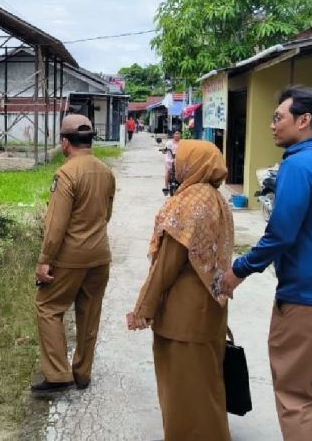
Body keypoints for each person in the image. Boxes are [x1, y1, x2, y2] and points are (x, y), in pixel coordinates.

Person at [220, 85, 312, 441]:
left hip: (311, 302)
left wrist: (239, 270)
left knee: (294, 395)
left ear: (304, 121)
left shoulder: (299, 164)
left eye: (278, 117)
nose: (272, 125)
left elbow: (280, 233)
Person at [127, 139, 234, 440]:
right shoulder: (216, 199)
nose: (174, 164)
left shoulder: (188, 203)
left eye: (179, 158)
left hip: (182, 316)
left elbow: (167, 264)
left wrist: (143, 308)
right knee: (207, 389)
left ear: (194, 163)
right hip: (210, 308)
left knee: (182, 394)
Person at [32, 114, 116, 395]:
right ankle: (82, 373)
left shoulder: (66, 174)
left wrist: (45, 260)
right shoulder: (106, 172)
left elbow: (56, 225)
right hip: (100, 255)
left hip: (70, 257)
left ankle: (58, 375)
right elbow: (106, 215)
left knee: (48, 307)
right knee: (89, 314)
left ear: (65, 142)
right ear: (90, 141)